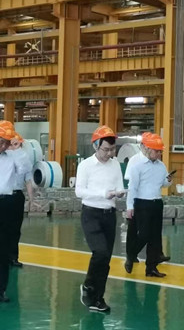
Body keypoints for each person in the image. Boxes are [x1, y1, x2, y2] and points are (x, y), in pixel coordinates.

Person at [75, 125, 126, 313]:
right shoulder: (85, 165)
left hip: (109, 215)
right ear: (96, 146)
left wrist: (119, 193)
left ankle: (98, 298)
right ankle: (88, 287)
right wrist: (104, 193)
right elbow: (79, 191)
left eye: (112, 149)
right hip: (91, 214)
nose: (109, 153)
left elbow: (119, 185)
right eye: (106, 149)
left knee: (106, 259)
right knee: (100, 252)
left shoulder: (115, 165)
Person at [125, 134, 172, 277]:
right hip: (142, 203)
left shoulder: (161, 166)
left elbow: (163, 184)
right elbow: (132, 187)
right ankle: (131, 255)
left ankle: (151, 268)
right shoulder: (137, 167)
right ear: (147, 149)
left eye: (160, 152)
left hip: (157, 202)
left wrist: (169, 181)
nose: (159, 154)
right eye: (156, 151)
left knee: (155, 237)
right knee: (144, 234)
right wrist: (129, 206)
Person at [6, 132, 35, 268]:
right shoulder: (3, 157)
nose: (14, 146)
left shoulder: (24, 159)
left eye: (17, 144)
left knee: (15, 228)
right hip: (3, 195)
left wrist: (31, 199)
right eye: (12, 144)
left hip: (16, 196)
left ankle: (13, 257)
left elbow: (28, 180)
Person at [0, 121, 18, 303]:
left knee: (3, 248)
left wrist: (17, 149)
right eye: (2, 142)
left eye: (7, 143)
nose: (4, 146)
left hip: (6, 204)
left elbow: (25, 169)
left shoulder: (12, 157)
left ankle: (1, 290)